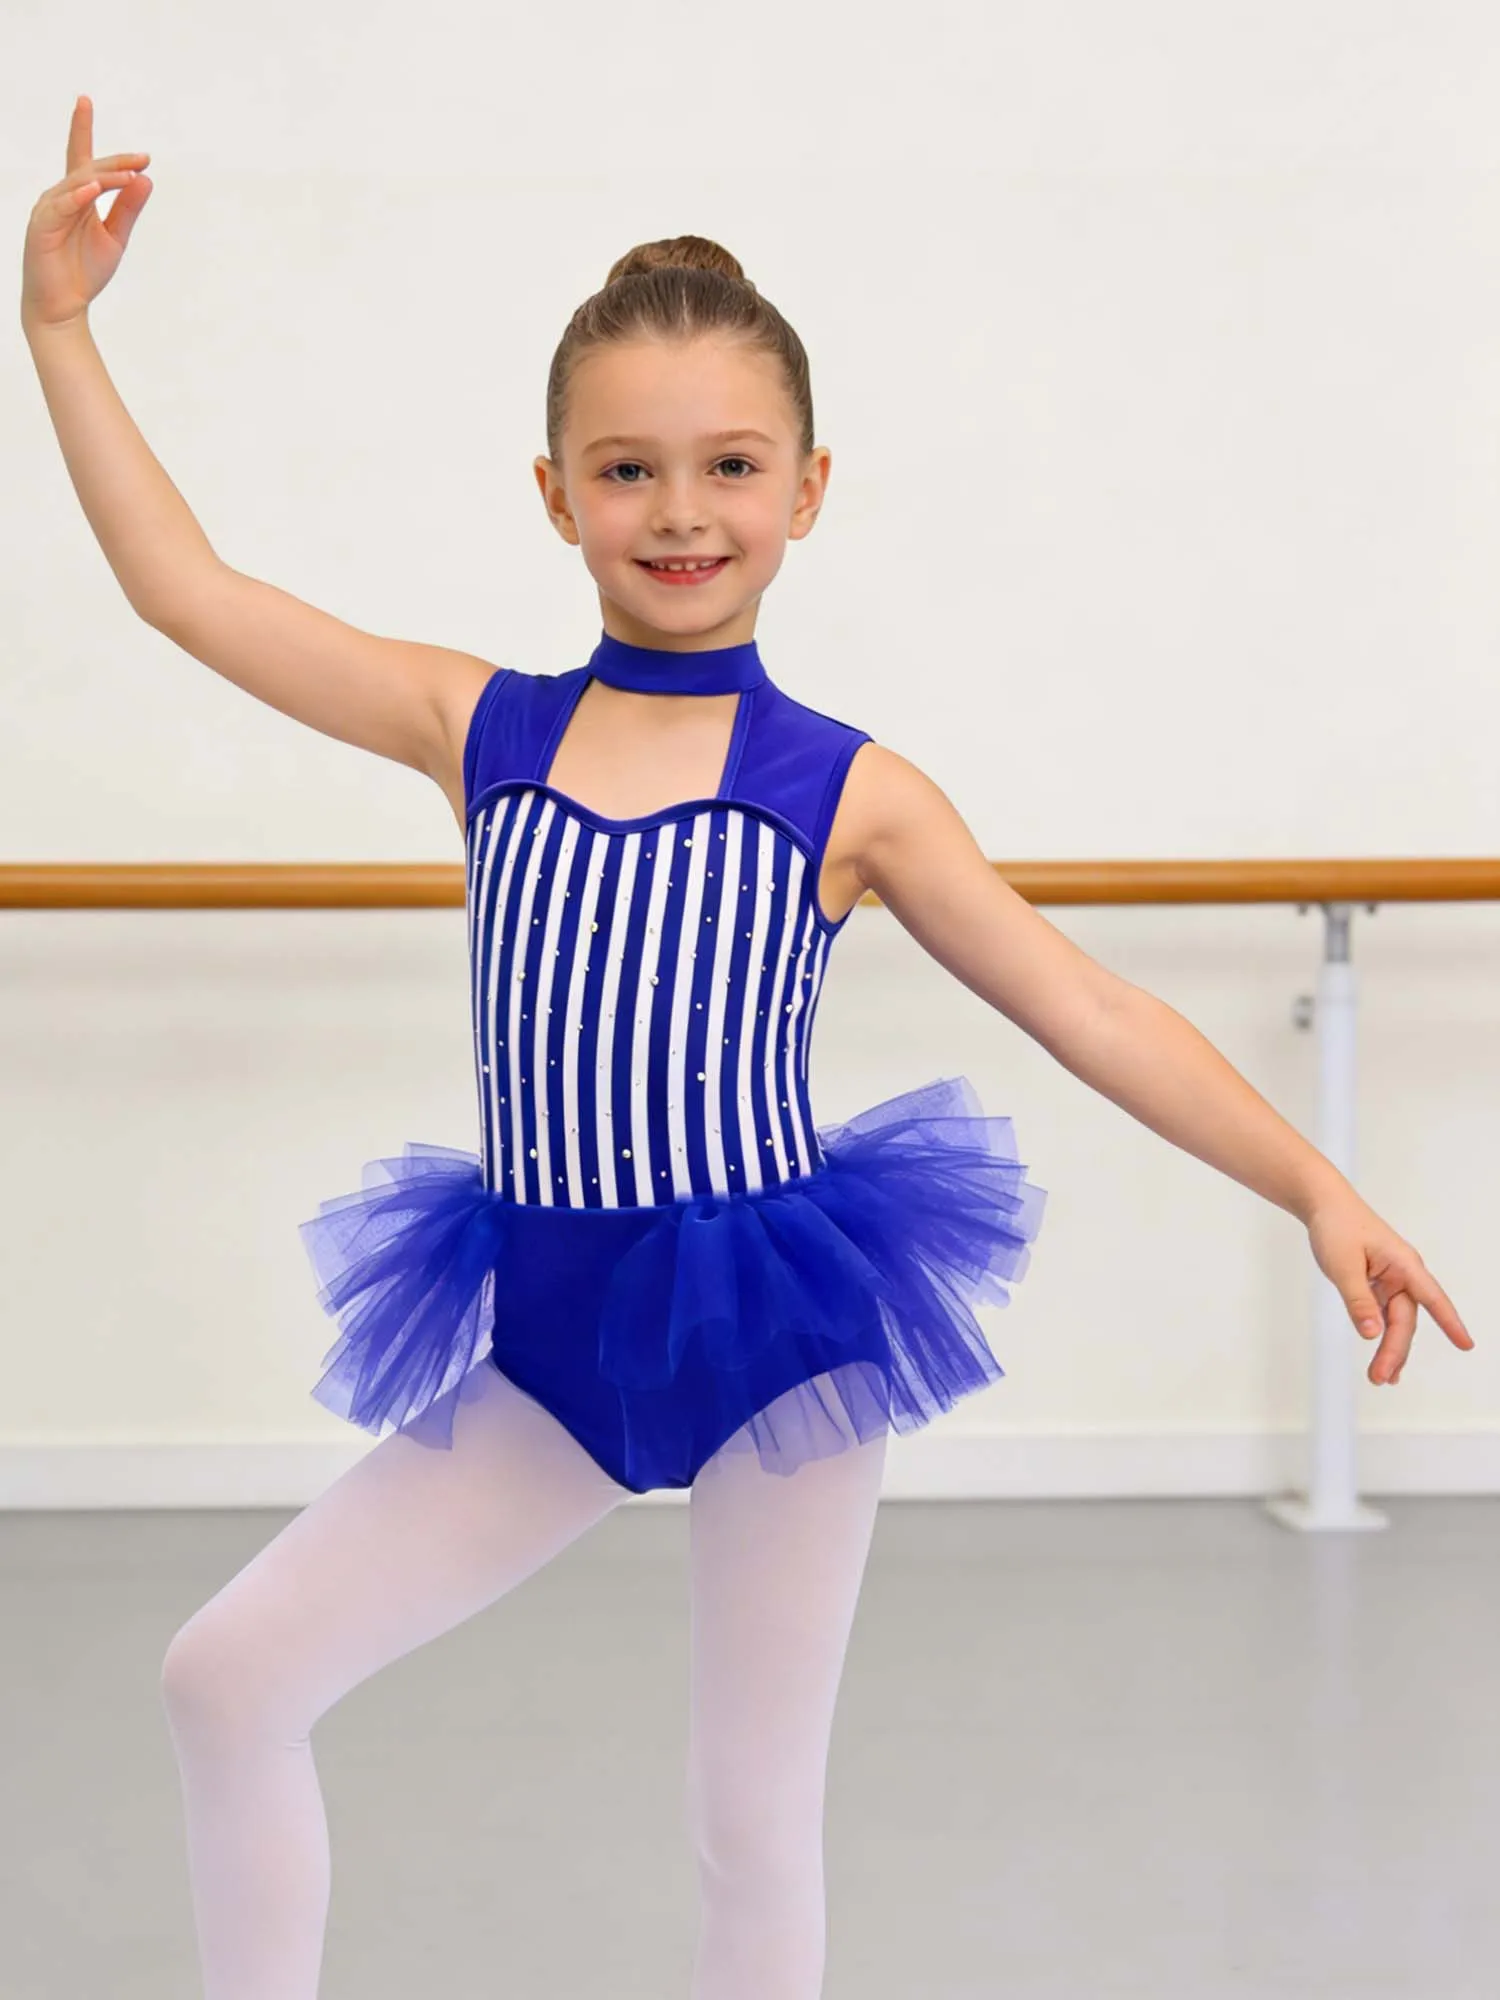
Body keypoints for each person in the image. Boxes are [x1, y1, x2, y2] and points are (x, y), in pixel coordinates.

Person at [22, 95, 1473, 2000]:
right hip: (551, 1322)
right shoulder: (481, 728)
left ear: (808, 487)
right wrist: (60, 330)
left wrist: (1318, 1185)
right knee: (225, 1677)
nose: (681, 512)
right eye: (628, 469)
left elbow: (1088, 1005)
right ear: (556, 493)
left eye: (729, 466)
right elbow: (188, 593)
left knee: (750, 1820)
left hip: (778, 1335)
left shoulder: (849, 791)